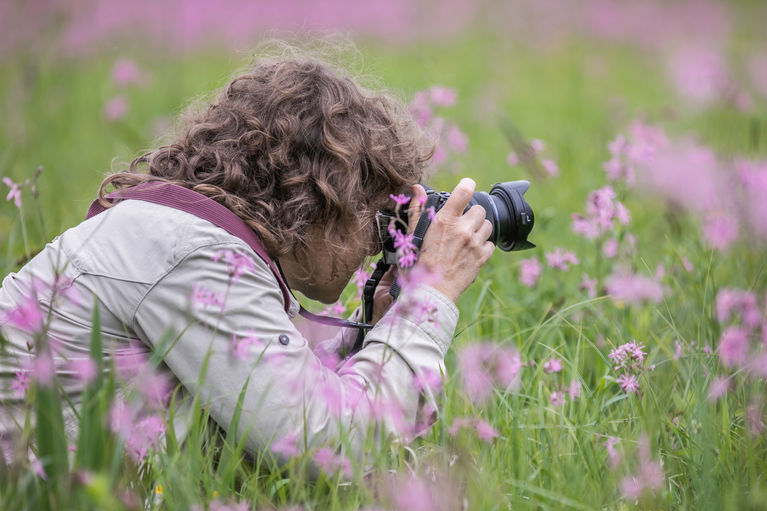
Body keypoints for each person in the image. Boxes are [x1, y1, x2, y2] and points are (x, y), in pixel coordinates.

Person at [0, 48, 495, 465]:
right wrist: (431, 296)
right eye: (371, 209)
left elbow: (271, 397)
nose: (374, 239)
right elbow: (322, 444)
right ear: (319, 195)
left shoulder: (190, 239)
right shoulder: (192, 254)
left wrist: (381, 328)